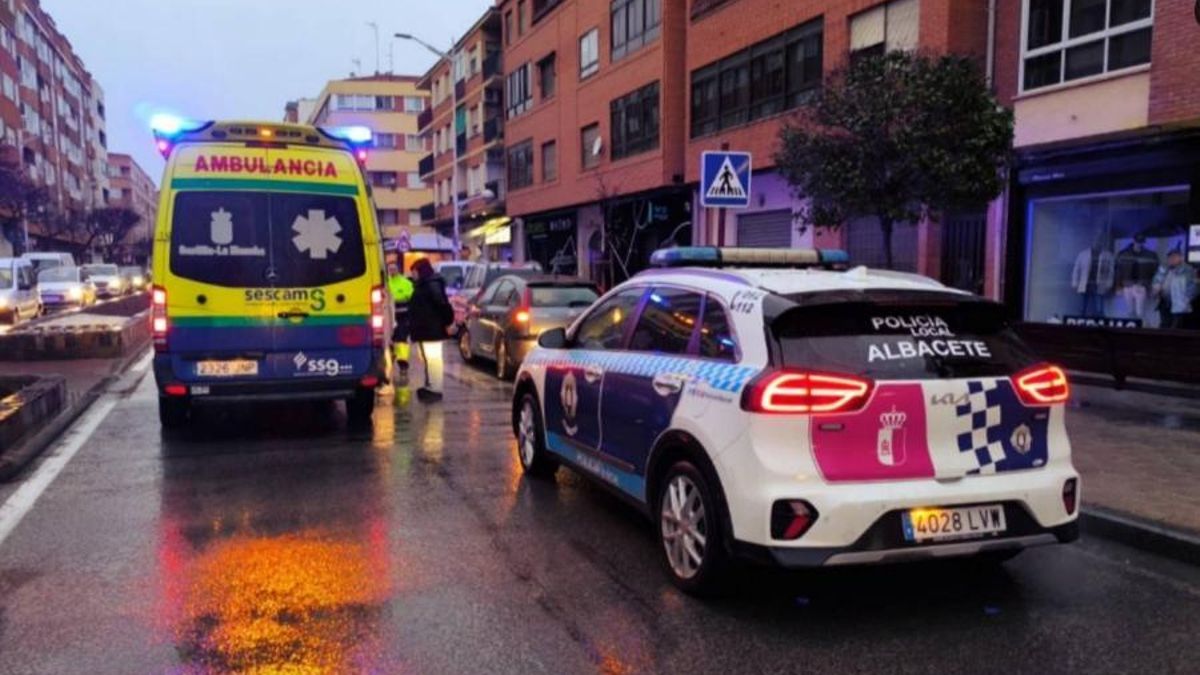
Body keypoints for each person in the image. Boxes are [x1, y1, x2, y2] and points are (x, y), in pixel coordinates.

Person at [408, 258, 455, 401]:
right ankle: (430, 385)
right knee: (429, 359)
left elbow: (441, 304)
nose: (413, 275)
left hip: (432, 330)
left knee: (434, 359)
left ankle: (435, 388)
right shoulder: (424, 284)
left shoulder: (431, 284)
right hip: (426, 329)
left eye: (415, 271)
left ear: (421, 271)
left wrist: (447, 321)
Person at [1152, 249, 1197, 330]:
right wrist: (1156, 287)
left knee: (1175, 327)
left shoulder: (1188, 270)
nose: (1171, 259)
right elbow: (1156, 279)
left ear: (1181, 258)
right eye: (1169, 257)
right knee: (1164, 325)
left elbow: (1192, 287)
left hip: (1179, 303)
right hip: (1164, 302)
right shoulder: (1163, 267)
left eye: (1174, 257)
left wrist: (1187, 299)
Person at [386, 263, 414, 384]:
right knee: (389, 341)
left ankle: (403, 365)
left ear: (398, 269)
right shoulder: (386, 283)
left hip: (403, 317)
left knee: (401, 341)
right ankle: (388, 364)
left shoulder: (406, 283)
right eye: (390, 269)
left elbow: (411, 296)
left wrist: (398, 298)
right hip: (388, 317)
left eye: (394, 268)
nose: (392, 271)